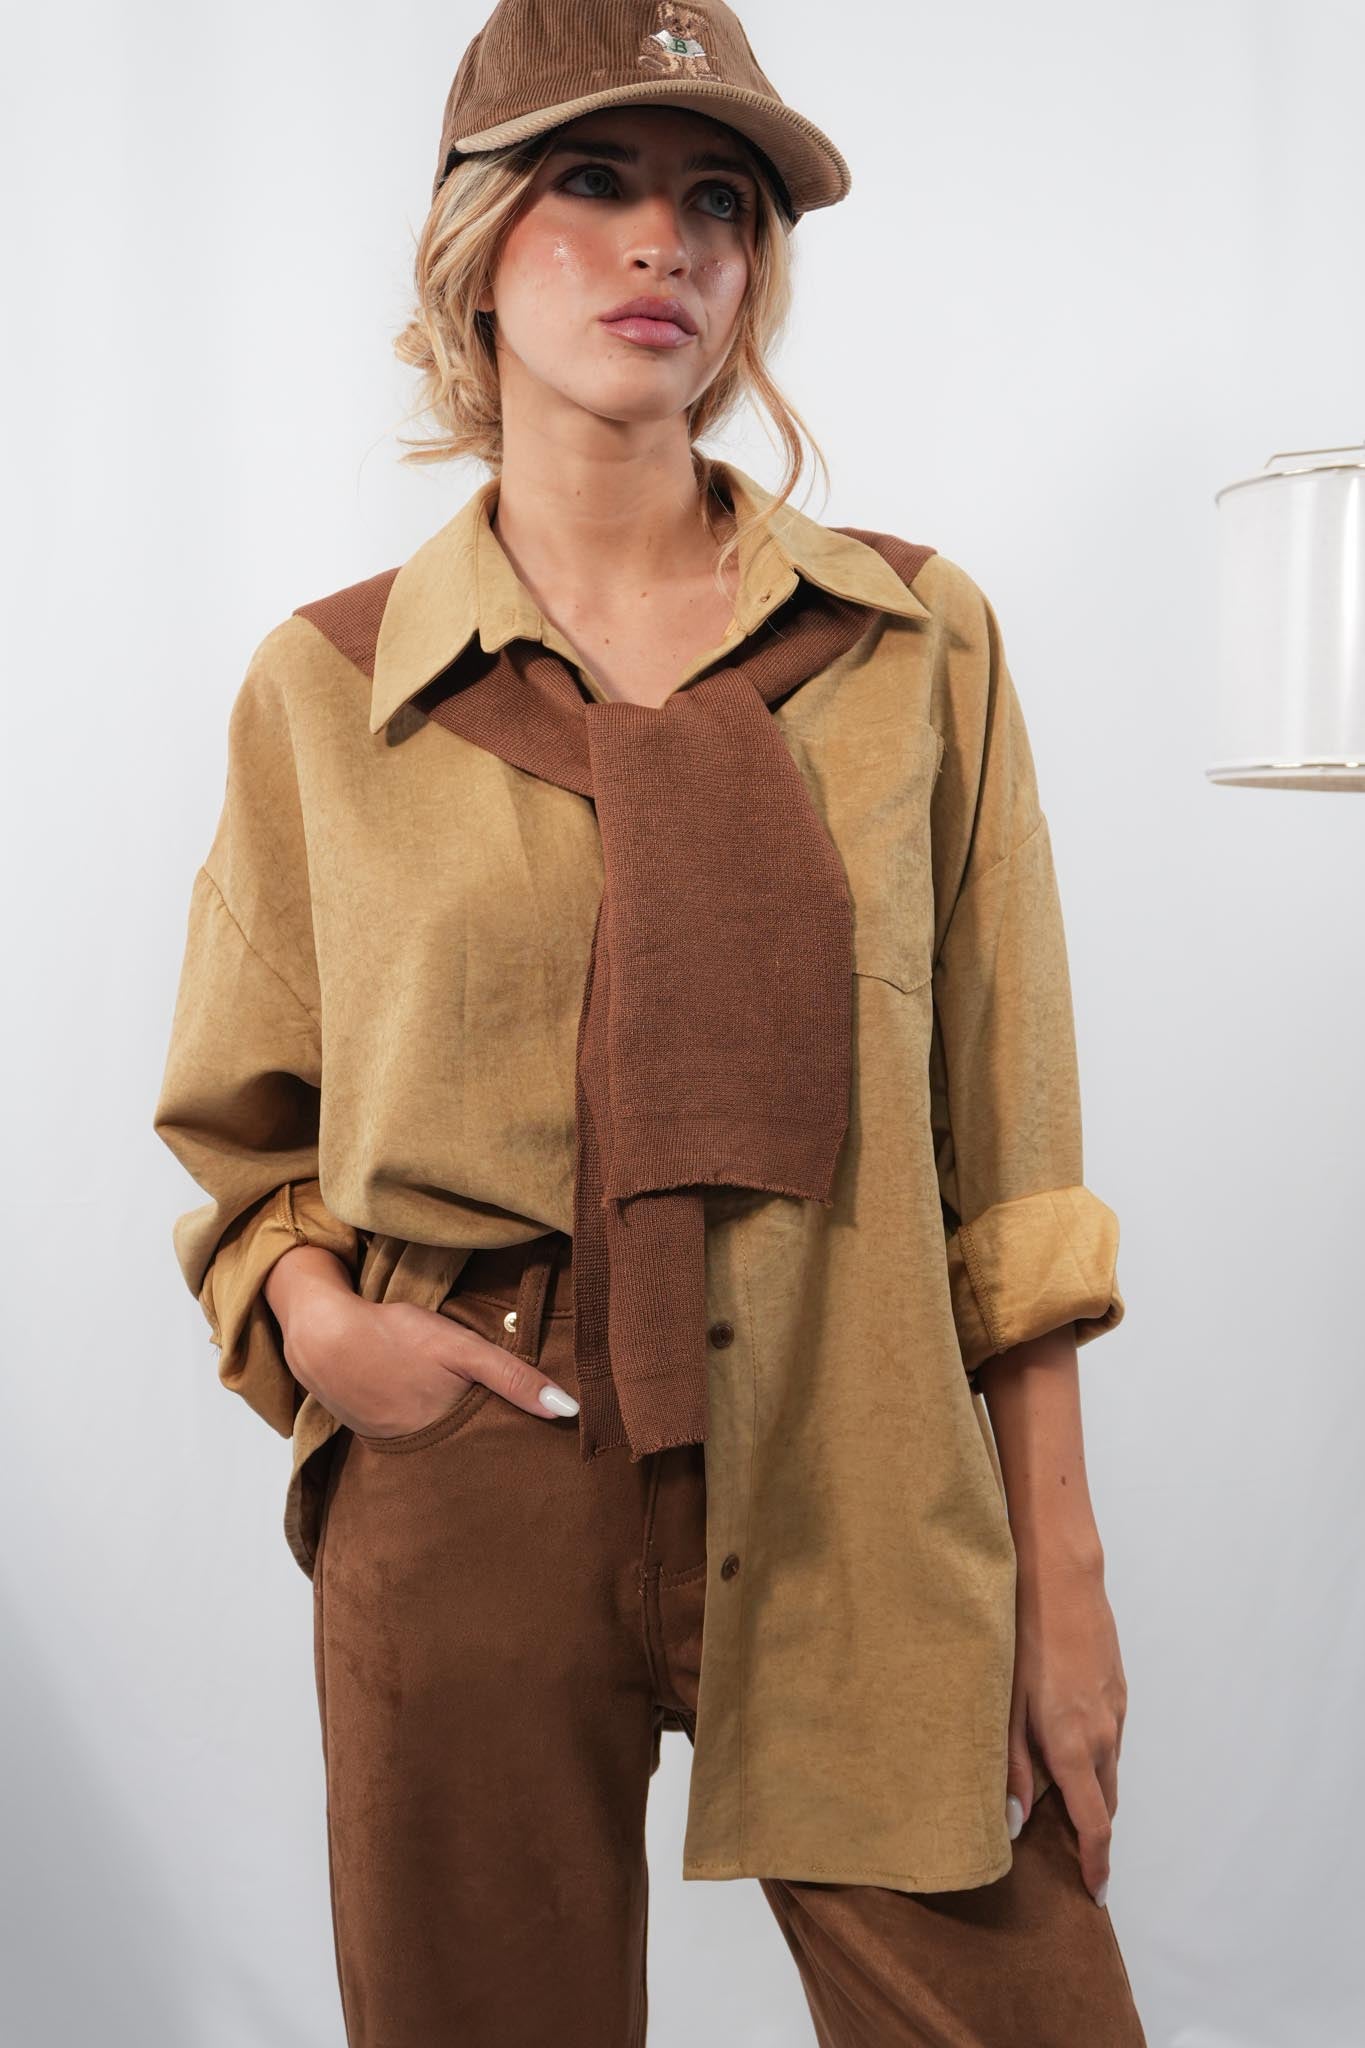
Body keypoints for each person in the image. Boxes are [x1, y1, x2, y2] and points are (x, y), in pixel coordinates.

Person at [152, 2, 1148, 2041]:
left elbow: (1009, 1155)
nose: (660, 243)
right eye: (592, 181)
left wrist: (1062, 1580)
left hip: (857, 1448)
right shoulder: (329, 690)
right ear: (473, 244)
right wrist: (327, 1329)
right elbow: (246, 1136)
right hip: (480, 1459)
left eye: (718, 203)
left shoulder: (911, 644)